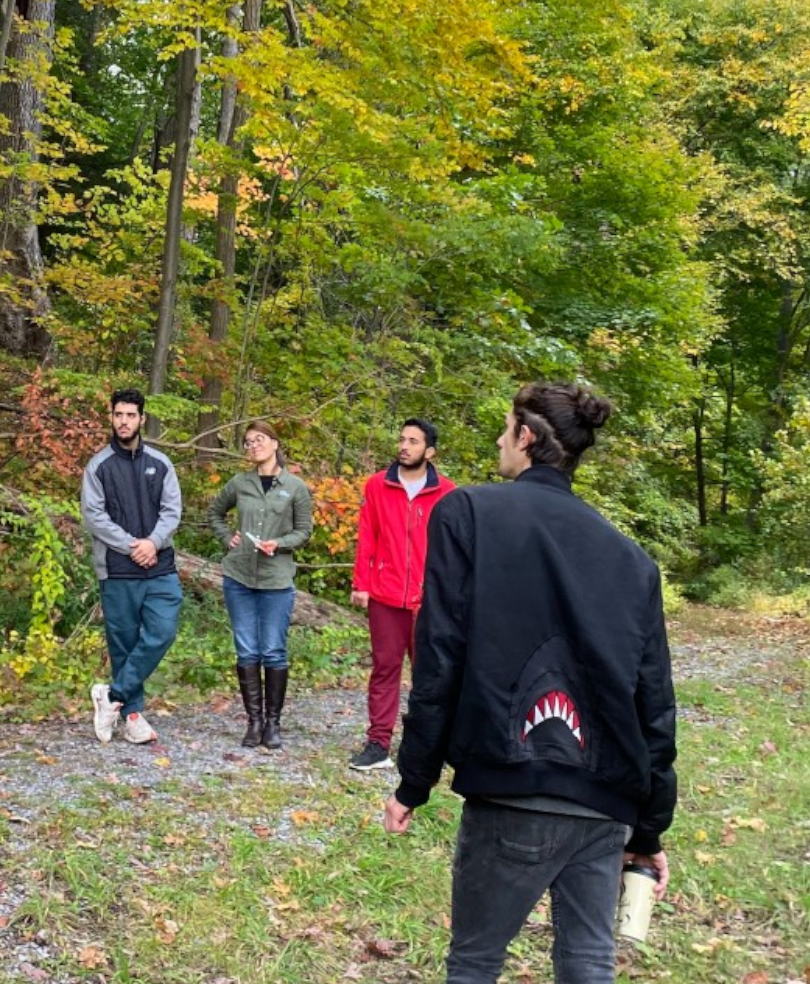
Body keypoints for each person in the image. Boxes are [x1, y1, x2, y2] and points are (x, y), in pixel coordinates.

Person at [382, 383, 677, 984]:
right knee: (589, 962)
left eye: (504, 428)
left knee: (474, 961)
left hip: (512, 786)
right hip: (606, 803)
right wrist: (647, 830)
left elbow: (439, 658)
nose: (498, 439)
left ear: (527, 437)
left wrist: (414, 780)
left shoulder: (466, 513)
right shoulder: (631, 560)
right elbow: (654, 705)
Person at [348, 418, 457, 772]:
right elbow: (368, 535)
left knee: (431, 674)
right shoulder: (378, 485)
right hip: (385, 594)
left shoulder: (448, 492)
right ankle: (378, 743)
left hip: (430, 601)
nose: (404, 446)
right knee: (385, 669)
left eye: (413, 441)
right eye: (402, 439)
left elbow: (455, 549)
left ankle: (427, 747)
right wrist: (361, 583)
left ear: (430, 451)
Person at [81, 388, 183, 745]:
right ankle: (133, 715)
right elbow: (94, 516)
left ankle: (110, 695)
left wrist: (153, 543)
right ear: (111, 418)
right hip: (118, 568)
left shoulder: (161, 463)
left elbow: (172, 511)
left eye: (130, 415)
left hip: (160, 568)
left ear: (142, 419)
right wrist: (131, 545)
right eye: (118, 415)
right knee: (123, 644)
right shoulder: (98, 466)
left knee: (163, 631)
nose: (123, 421)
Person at [206, 421, 314, 750]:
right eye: (248, 442)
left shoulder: (295, 487)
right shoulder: (240, 483)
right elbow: (214, 512)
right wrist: (228, 537)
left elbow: (304, 532)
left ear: (274, 443)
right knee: (247, 649)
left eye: (260, 440)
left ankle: (273, 724)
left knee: (273, 650)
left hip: (276, 580)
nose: (253, 446)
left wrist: (279, 543)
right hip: (239, 576)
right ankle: (253, 722)